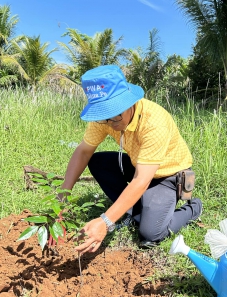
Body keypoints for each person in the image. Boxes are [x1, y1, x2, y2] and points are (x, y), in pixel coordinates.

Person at [60, 65, 202, 255]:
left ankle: (194, 208)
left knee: (151, 233)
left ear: (128, 101)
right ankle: (134, 209)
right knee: (97, 162)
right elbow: (83, 152)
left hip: (168, 175)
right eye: (104, 116)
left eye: (115, 114)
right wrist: (62, 195)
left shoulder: (154, 122)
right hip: (140, 164)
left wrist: (105, 221)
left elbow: (141, 180)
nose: (110, 122)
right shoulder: (104, 118)